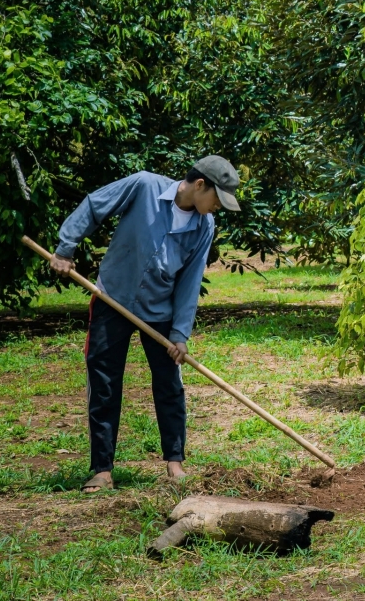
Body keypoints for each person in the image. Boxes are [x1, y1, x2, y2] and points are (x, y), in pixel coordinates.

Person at [49, 156, 241, 492]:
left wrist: (180, 334)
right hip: (113, 299)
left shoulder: (203, 226)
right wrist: (66, 248)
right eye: (217, 199)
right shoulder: (143, 186)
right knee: (105, 382)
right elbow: (95, 206)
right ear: (200, 186)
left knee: (169, 385)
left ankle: (175, 463)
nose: (217, 209)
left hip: (160, 311)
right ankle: (102, 470)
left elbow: (190, 282)